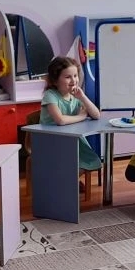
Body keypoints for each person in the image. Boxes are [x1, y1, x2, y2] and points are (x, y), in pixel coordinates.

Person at [40, 56, 102, 187]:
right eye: (68, 77)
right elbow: (60, 120)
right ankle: (65, 182)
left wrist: (83, 97)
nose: (74, 80)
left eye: (75, 75)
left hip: (71, 139)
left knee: (92, 161)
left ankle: (67, 181)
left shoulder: (76, 95)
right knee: (66, 162)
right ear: (55, 80)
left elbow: (96, 115)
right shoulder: (50, 95)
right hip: (52, 141)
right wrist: (81, 116)